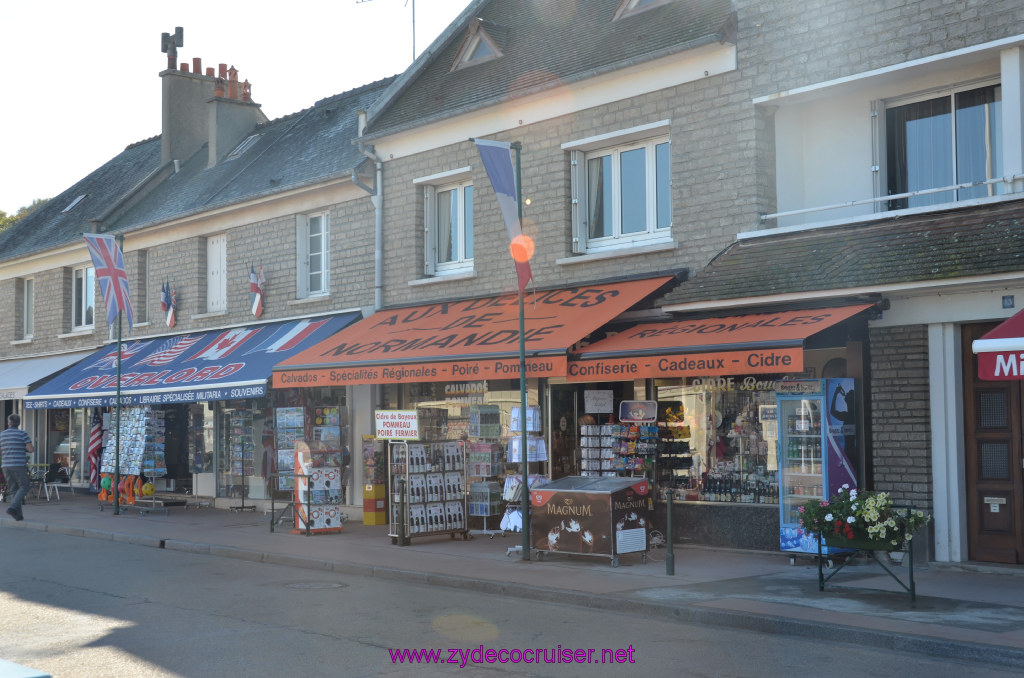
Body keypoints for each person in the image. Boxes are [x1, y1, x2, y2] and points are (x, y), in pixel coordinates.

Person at [1, 413, 35, 521]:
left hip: (5, 465)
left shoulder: (2, 435)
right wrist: (22, 448)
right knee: (25, 486)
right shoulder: (22, 434)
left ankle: (18, 515)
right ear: (19, 423)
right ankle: (12, 508)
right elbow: (31, 449)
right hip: (18, 465)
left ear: (9, 423)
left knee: (14, 490)